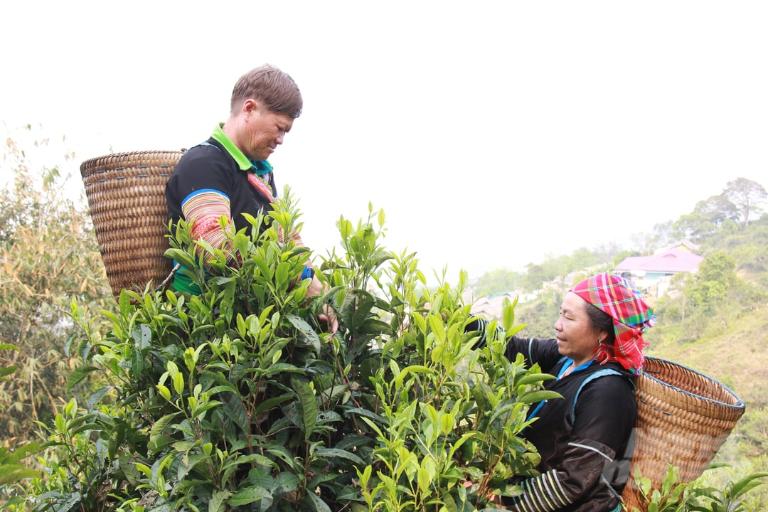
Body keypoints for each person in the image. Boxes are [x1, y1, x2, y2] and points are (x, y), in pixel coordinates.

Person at [165, 64, 336, 331]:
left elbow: (287, 239)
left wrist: (319, 293)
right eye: (279, 128)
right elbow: (216, 249)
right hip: (207, 329)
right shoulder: (205, 164)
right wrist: (299, 278)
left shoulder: (259, 173)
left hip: (253, 328)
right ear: (249, 109)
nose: (280, 140)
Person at [471, 273, 654, 512]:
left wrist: (499, 497)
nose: (558, 324)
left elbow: (573, 481)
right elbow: (512, 348)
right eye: (560, 313)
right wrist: (461, 323)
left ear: (602, 332)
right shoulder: (567, 359)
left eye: (569, 317)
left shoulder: (609, 393)